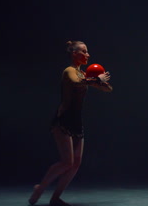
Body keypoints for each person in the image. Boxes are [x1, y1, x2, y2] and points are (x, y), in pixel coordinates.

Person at [29, 40, 113, 206]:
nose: (87, 54)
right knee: (67, 161)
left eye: (87, 52)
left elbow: (108, 89)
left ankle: (55, 198)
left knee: (75, 164)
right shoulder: (69, 71)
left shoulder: (83, 75)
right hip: (63, 119)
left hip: (76, 121)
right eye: (84, 51)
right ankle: (40, 188)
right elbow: (75, 82)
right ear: (74, 53)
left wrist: (99, 81)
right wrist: (94, 80)